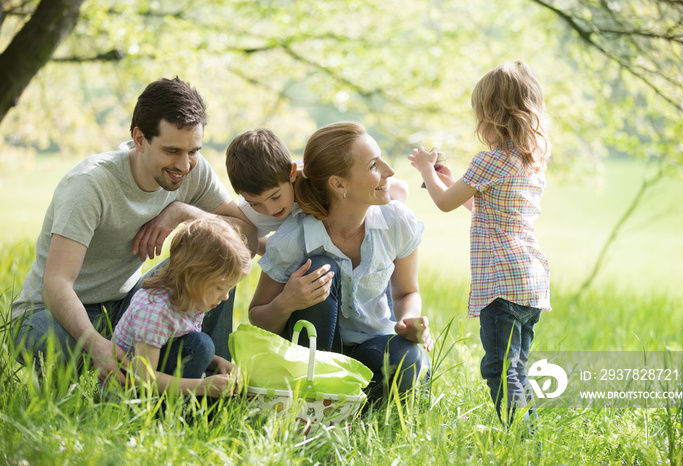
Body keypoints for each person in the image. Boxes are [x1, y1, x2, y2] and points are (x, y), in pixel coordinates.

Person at [11, 77, 256, 385]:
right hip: (52, 313)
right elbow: (57, 284)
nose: (184, 164)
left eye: (193, 150)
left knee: (215, 263)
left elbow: (245, 237)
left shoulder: (193, 168)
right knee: (48, 342)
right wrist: (97, 344)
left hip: (129, 307)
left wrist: (183, 212)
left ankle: (214, 379)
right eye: (172, 150)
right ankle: (130, 379)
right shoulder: (90, 185)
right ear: (140, 139)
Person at [408, 61, 551, 426]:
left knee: (499, 369)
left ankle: (522, 436)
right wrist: (451, 180)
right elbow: (479, 203)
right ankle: (528, 430)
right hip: (529, 280)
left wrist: (426, 169)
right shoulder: (528, 162)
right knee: (517, 366)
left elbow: (444, 203)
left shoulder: (489, 160)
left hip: (501, 282)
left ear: (491, 117)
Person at [247, 122, 433, 401]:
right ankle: (318, 398)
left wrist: (408, 320)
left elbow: (407, 292)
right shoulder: (293, 238)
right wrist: (286, 302)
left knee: (409, 362)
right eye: (373, 165)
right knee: (323, 265)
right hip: (313, 357)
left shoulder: (397, 221)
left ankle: (349, 403)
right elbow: (258, 319)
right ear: (338, 184)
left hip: (372, 345)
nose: (389, 171)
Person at [111, 218, 251, 397]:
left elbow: (177, 346)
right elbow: (142, 378)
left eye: (229, 289)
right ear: (193, 276)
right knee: (202, 345)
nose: (225, 297)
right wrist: (203, 386)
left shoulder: (193, 299)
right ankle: (164, 416)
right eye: (220, 288)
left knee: (225, 389)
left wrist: (218, 363)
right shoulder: (156, 311)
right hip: (130, 393)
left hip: (158, 376)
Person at [225, 128, 409, 254]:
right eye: (256, 203)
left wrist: (385, 230)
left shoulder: (317, 180)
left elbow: (400, 189)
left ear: (292, 173)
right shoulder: (250, 214)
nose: (270, 210)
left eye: (275, 197)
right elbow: (250, 243)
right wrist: (284, 252)